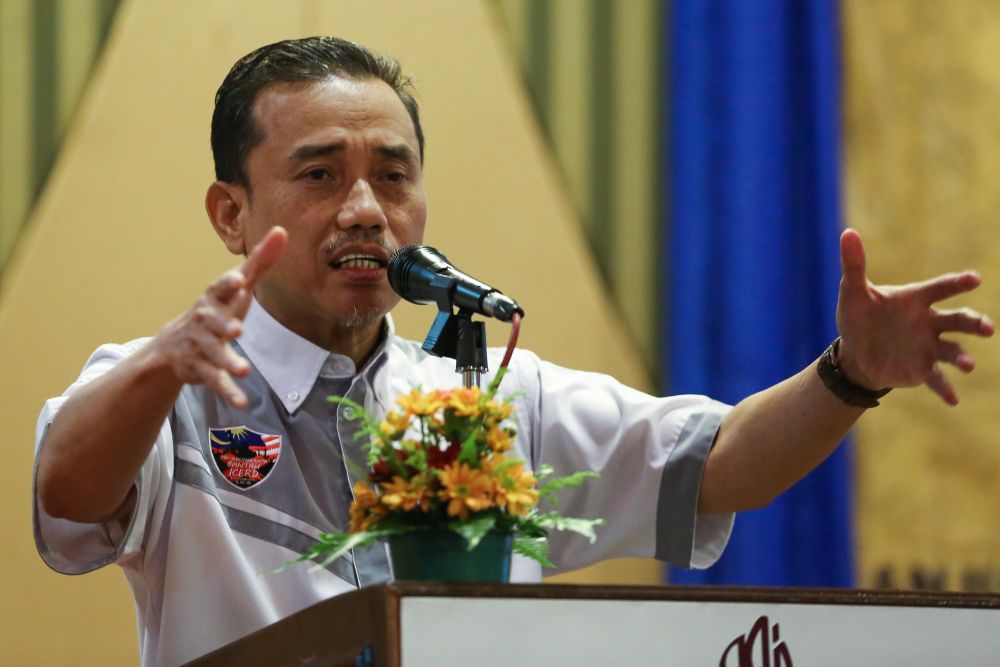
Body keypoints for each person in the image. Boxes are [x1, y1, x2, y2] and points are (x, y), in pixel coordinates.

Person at [32, 36, 993, 666]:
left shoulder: (487, 391)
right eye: (319, 174)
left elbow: (719, 465)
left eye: (392, 176)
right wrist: (165, 363)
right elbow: (68, 496)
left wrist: (851, 372)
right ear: (230, 214)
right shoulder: (167, 384)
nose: (366, 209)